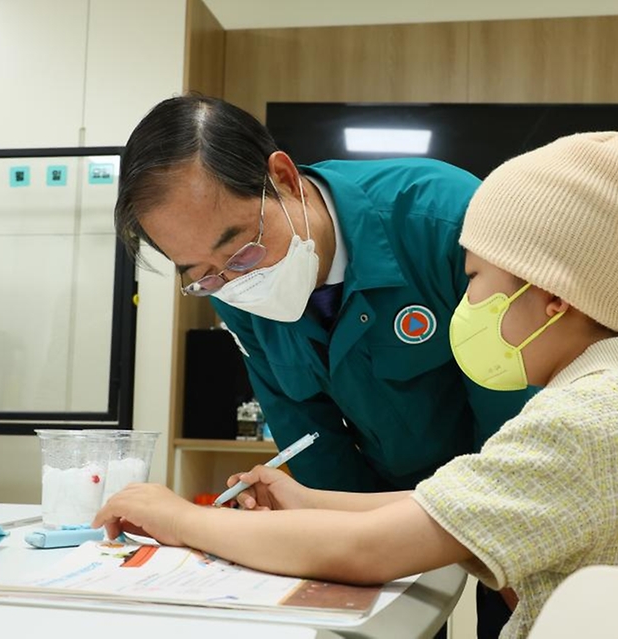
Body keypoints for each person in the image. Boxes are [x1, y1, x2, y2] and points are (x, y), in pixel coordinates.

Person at [97, 131, 618, 639]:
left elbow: (376, 546)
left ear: (552, 297)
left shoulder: (579, 422)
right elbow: (444, 502)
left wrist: (182, 517)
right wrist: (308, 502)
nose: (464, 299)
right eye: (204, 276)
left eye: (474, 279)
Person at [114, 95, 532, 636]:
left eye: (242, 252)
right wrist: (326, 523)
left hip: (508, 487)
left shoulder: (445, 218)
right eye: (203, 274)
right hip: (374, 500)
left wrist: (484, 537)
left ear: (284, 178)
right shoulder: (233, 289)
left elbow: (515, 433)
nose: (234, 283)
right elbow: (310, 439)